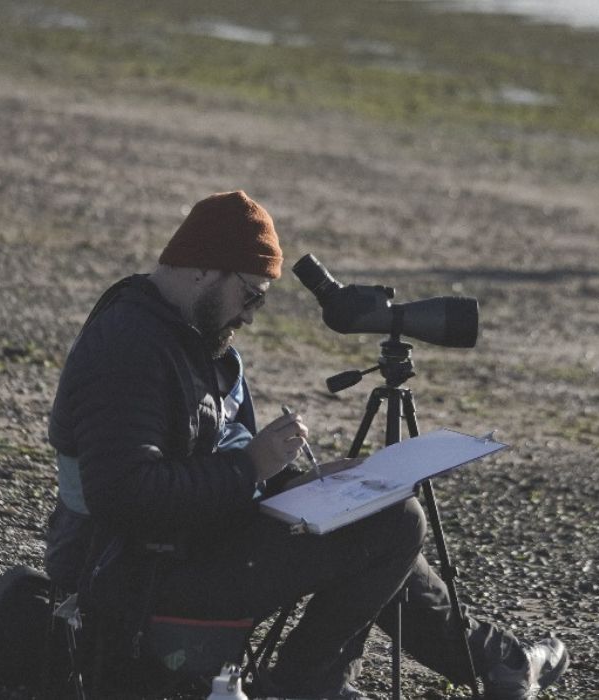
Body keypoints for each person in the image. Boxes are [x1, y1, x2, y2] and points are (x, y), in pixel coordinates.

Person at [44, 190, 568, 699]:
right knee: (395, 523)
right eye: (250, 294)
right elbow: (124, 496)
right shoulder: (129, 347)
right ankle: (309, 684)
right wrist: (252, 467)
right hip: (135, 575)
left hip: (187, 543)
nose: (250, 315)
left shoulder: (194, 336)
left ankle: (503, 661)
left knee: (373, 512)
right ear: (203, 267)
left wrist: (299, 480)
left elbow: (211, 457)